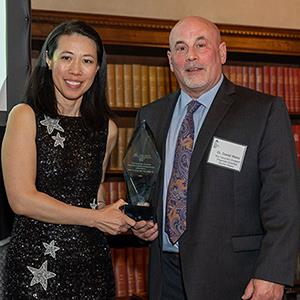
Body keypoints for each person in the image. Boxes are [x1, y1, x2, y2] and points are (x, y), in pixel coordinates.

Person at [132, 16, 300, 300]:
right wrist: (142, 220)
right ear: (171, 59)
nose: (191, 57)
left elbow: (283, 200)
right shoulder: (150, 115)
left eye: (201, 45)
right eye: (181, 48)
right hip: (165, 274)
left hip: (236, 277)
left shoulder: (262, 111)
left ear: (222, 52)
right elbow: (143, 183)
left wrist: (272, 273)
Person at [1, 20, 135, 299]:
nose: (76, 70)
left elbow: (91, 194)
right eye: (66, 57)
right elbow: (21, 199)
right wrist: (96, 218)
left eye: (87, 60)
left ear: (98, 68)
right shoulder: (25, 116)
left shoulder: (106, 129)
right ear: (48, 60)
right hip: (34, 268)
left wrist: (115, 217)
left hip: (92, 266)